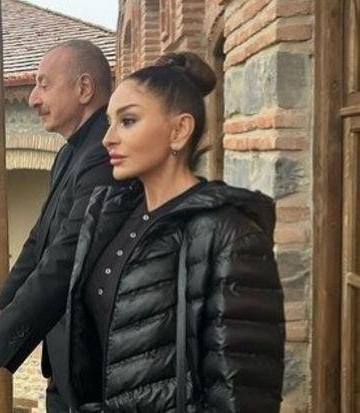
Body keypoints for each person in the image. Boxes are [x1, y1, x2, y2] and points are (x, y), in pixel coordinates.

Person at [63, 52, 285, 412]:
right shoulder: (110, 214)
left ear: (179, 130)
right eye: (109, 123)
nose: (108, 139)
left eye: (127, 121)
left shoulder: (230, 234)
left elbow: (242, 394)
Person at [0, 39, 115, 411]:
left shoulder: (103, 154)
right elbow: (39, 242)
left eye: (44, 85)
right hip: (66, 363)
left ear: (84, 88)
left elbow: (64, 262)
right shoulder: (70, 153)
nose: (33, 99)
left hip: (94, 369)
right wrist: (0, 304)